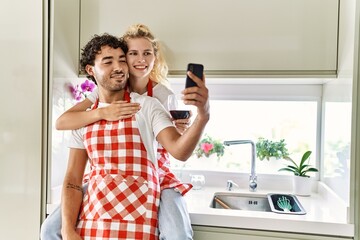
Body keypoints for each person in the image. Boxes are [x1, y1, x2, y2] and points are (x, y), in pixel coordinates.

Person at [40, 24, 196, 240]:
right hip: (104, 179)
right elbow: (62, 122)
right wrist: (104, 113)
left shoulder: (157, 97)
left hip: (157, 171)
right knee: (49, 230)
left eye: (147, 53)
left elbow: (175, 145)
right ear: (92, 70)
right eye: (132, 54)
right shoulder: (101, 94)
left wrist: (183, 129)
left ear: (154, 58)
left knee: (178, 234)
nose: (138, 60)